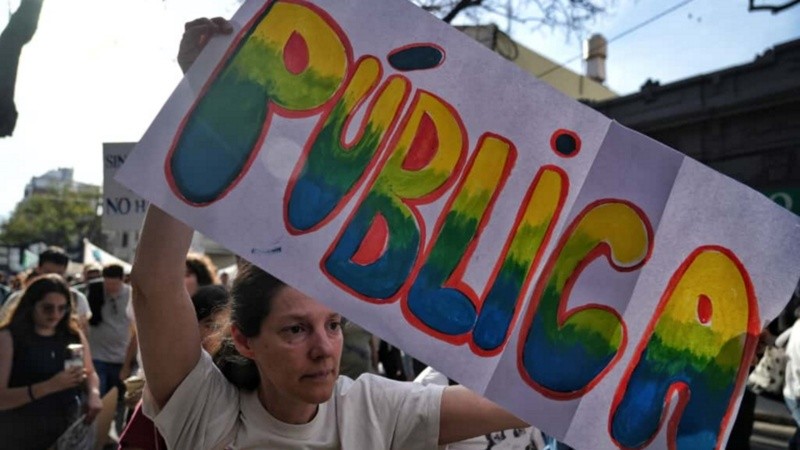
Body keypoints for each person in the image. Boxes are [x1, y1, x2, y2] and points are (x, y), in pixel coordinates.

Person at [133, 206, 528, 449]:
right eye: (295, 330)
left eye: (334, 325)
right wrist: (200, 104)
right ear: (244, 339)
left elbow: (523, 403)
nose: (324, 348)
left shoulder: (370, 408)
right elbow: (154, 284)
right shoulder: (206, 413)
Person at [118, 284, 231, 450]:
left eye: (228, 328)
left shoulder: (243, 387)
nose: (221, 337)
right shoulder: (170, 383)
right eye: (211, 326)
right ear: (190, 326)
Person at [0, 274, 102, 449]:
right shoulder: (8, 338)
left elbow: (90, 372)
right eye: (48, 308)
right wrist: (50, 386)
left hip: (65, 432)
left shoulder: (72, 334)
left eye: (62, 308)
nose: (55, 315)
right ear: (31, 305)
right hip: (19, 435)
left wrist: (93, 394)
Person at [0, 246, 92, 333]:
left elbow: (83, 331)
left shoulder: (77, 299)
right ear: (38, 269)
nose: (53, 278)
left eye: (59, 273)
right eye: (48, 272)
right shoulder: (17, 298)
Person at [87, 263, 133, 435]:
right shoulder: (94, 291)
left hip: (122, 357)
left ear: (122, 280)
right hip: (98, 355)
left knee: (121, 400)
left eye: (114, 284)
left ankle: (120, 434)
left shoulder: (131, 294)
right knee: (100, 398)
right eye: (107, 283)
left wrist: (128, 363)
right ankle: (98, 436)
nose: (110, 288)